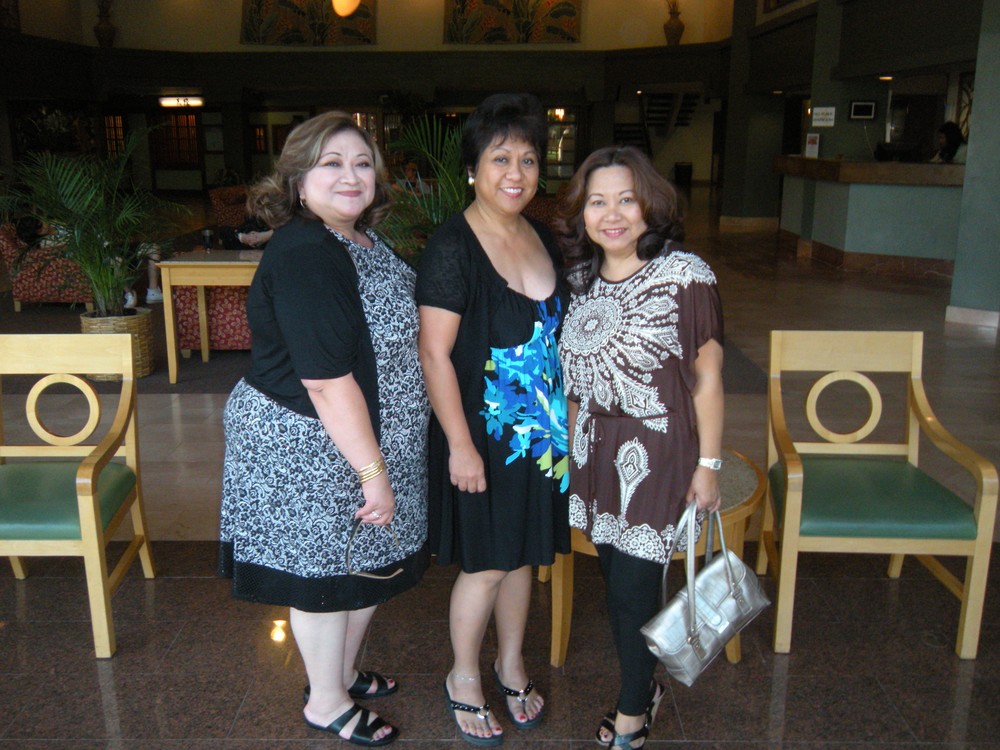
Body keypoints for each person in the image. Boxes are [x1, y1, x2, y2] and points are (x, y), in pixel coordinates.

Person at [218, 111, 430, 748]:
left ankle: (341, 672)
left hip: (364, 436)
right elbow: (327, 381)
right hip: (309, 443)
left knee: (363, 565)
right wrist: (373, 471)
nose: (350, 175)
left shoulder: (359, 238)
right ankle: (326, 701)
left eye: (362, 163)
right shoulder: (308, 252)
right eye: (330, 163)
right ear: (298, 179)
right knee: (324, 580)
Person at [555, 145, 724, 749]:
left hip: (659, 452)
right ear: (582, 213)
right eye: (598, 202)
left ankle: (633, 707)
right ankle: (643, 683)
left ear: (650, 204)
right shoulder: (579, 281)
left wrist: (708, 464)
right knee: (618, 580)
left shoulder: (685, 275)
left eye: (627, 199)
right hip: (593, 452)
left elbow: (707, 377)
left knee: (630, 588)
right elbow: (575, 381)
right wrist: (570, 455)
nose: (612, 214)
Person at [416, 92, 570, 747]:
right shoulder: (453, 245)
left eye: (528, 159)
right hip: (480, 436)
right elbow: (433, 353)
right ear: (473, 168)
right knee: (485, 564)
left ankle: (510, 664)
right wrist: (459, 445)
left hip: (542, 436)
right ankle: (463, 676)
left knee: (523, 557)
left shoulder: (540, 235)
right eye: (500, 158)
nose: (516, 173)